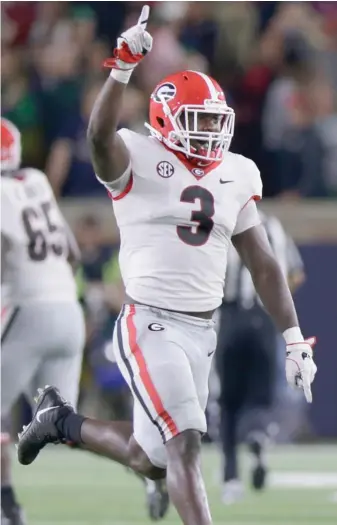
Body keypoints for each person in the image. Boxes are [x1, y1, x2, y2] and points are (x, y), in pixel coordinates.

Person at [17, 7, 317, 525]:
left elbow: (263, 261)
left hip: (205, 328)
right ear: (164, 120)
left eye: (213, 124)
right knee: (184, 444)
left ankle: (61, 422)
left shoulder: (237, 172)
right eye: (195, 123)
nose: (206, 136)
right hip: (150, 322)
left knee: (150, 459)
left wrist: (292, 338)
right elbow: (97, 138)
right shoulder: (137, 154)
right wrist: (121, 69)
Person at [1, 118, 85, 525]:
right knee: (68, 426)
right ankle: (147, 468)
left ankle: (6, 503)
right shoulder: (34, 179)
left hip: (27, 311)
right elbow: (73, 253)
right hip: (69, 310)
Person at [215, 211, 306, 504]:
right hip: (265, 319)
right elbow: (296, 273)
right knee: (261, 397)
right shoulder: (274, 225)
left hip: (229, 318)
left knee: (228, 403)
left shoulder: (222, 223)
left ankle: (231, 478)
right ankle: (257, 435)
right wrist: (274, 296)